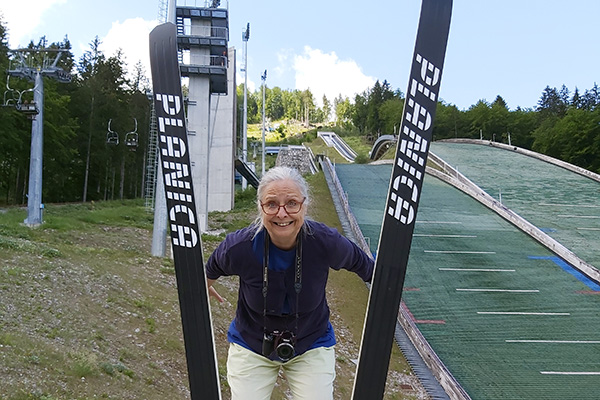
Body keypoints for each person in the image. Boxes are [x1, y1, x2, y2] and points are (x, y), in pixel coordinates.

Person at [205, 166, 374, 400]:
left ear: (305, 205)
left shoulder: (326, 242)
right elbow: (208, 271)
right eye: (272, 204)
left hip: (311, 341)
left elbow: (365, 267)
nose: (282, 214)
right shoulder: (239, 247)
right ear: (260, 207)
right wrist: (205, 286)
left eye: (292, 203)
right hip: (252, 342)